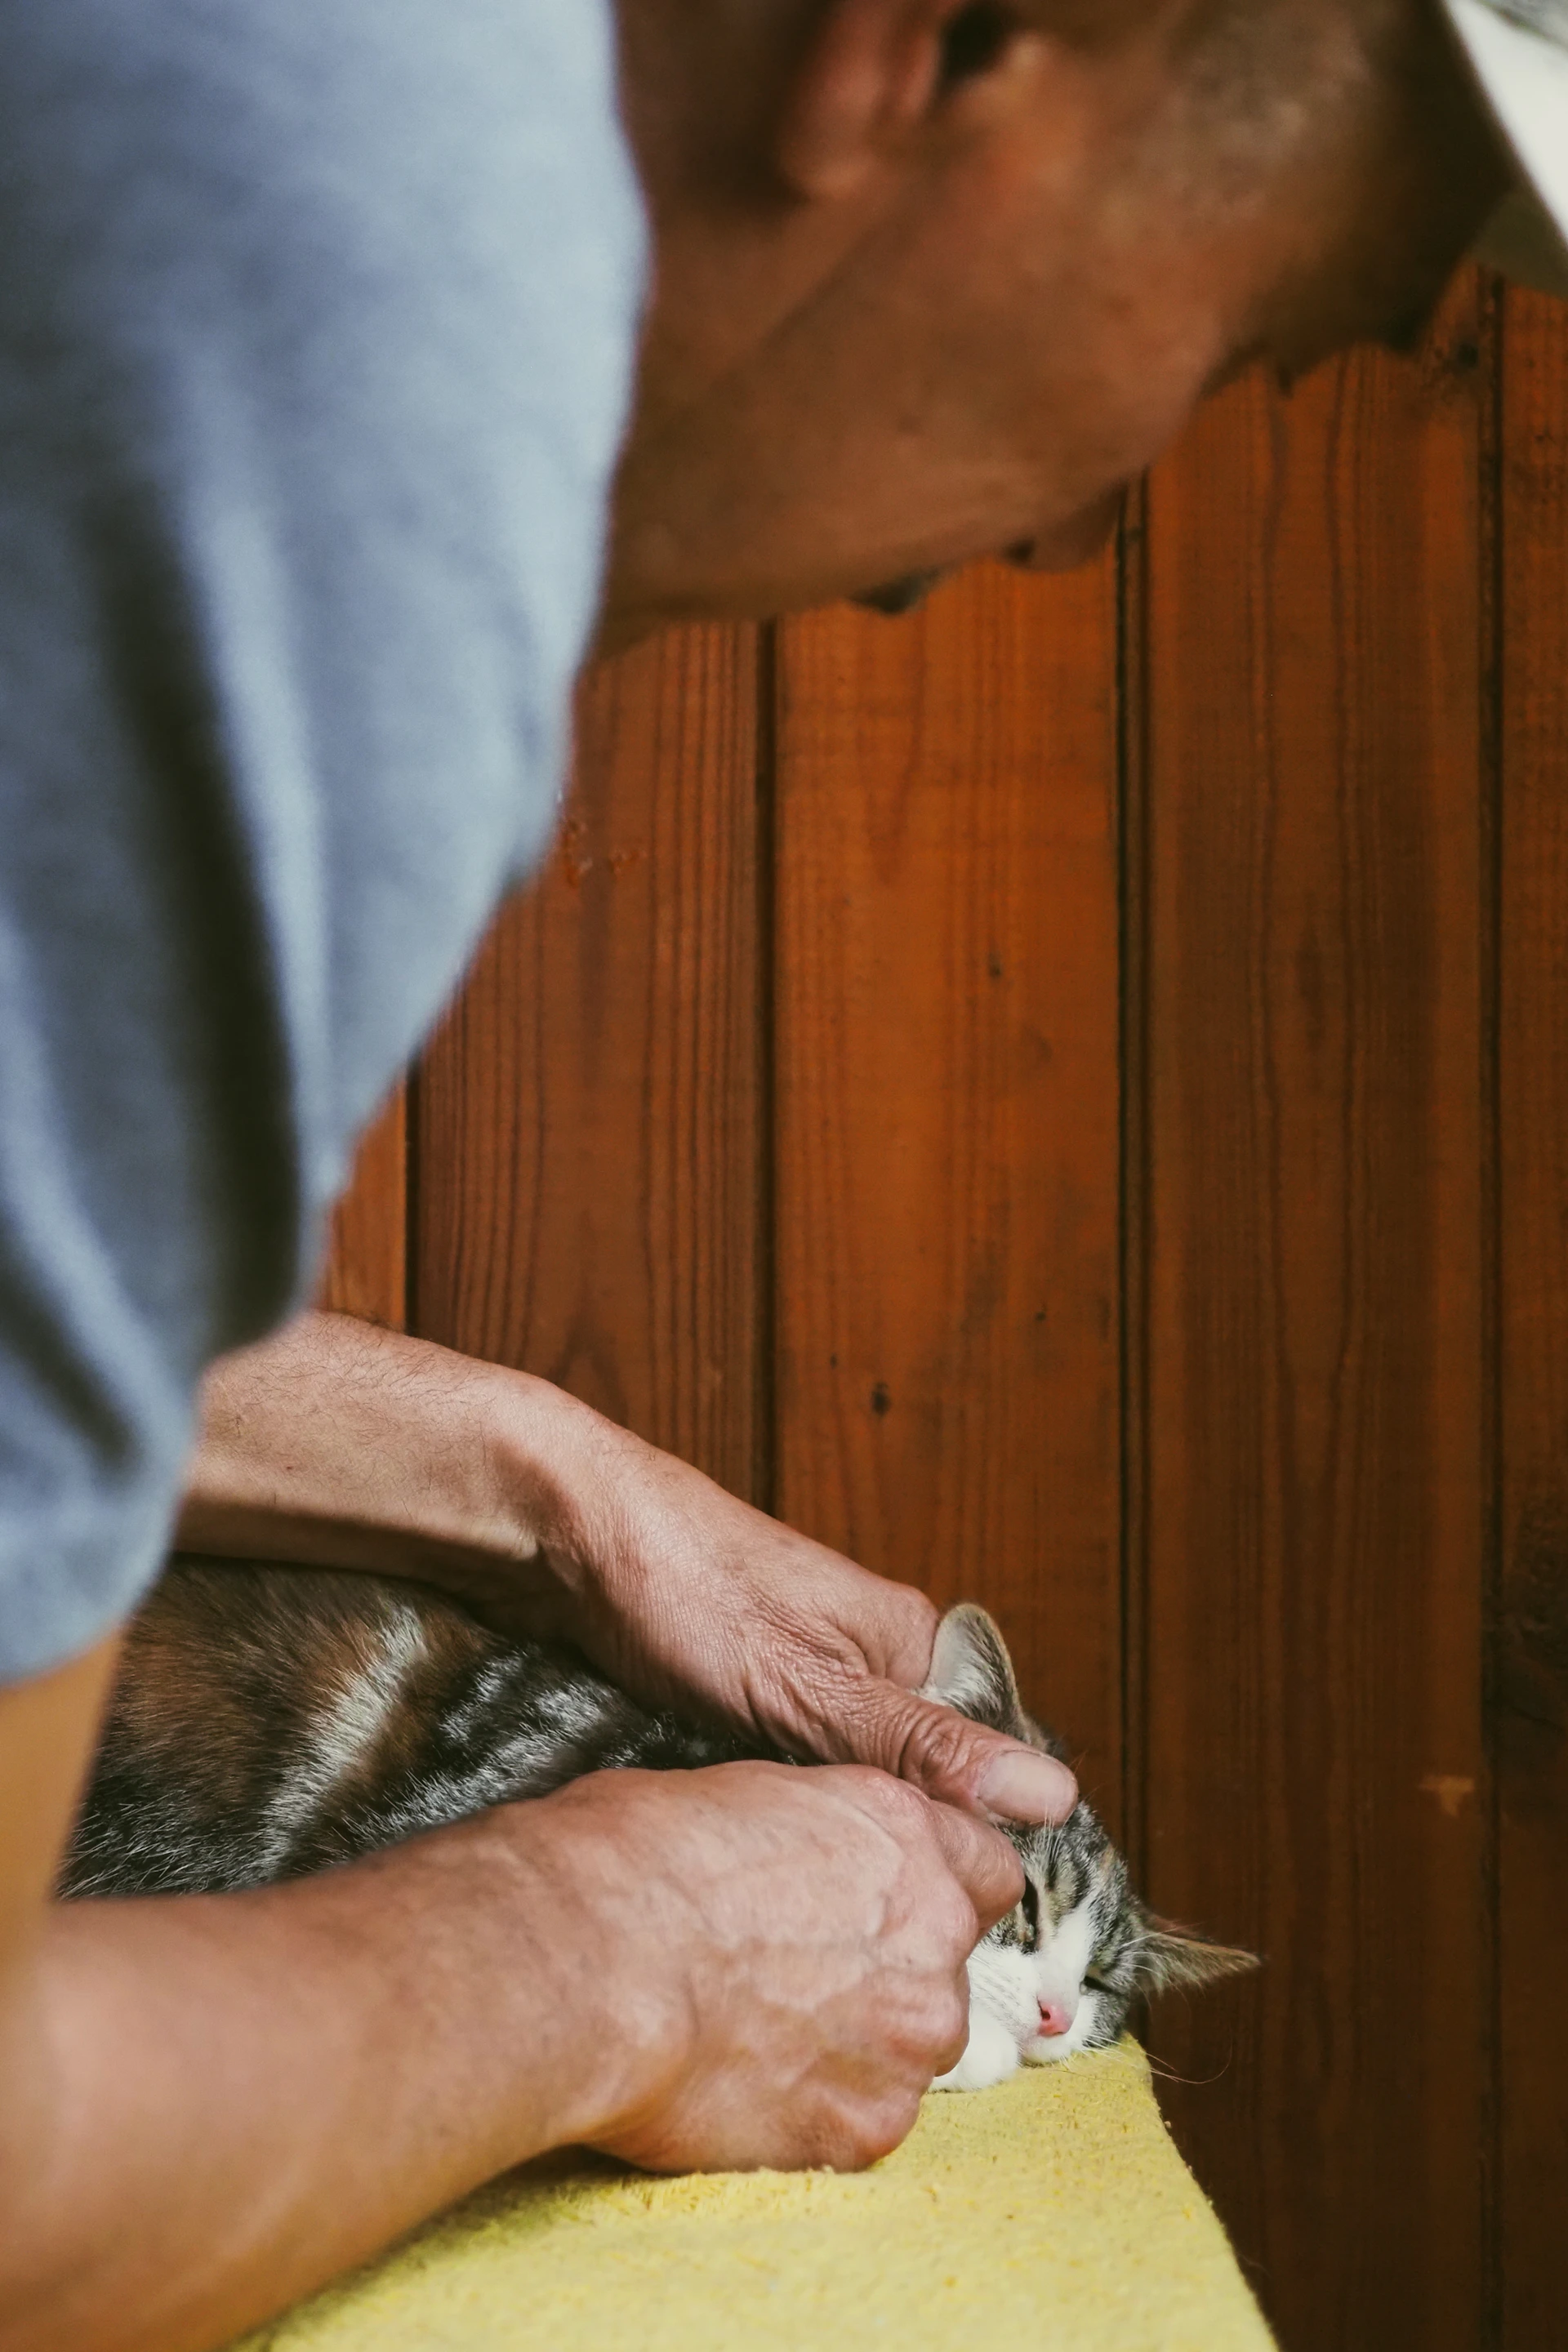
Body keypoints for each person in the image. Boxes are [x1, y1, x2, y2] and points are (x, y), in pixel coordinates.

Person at [0, 3, 1561, 2347]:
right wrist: (610, 1953)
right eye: (1274, 330)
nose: (1092, 515)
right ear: (946, 39)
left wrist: (526, 1475)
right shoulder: (356, 356)